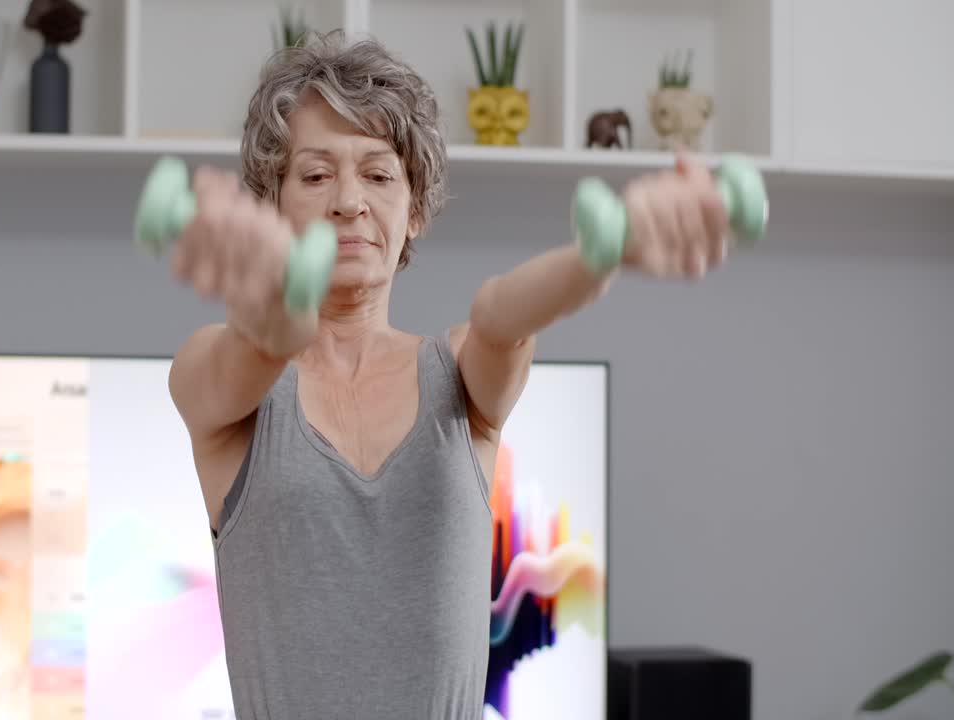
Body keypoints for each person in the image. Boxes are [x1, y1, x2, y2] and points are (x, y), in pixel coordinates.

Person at [166, 31, 729, 720]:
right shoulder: (219, 374)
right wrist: (282, 310)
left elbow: (500, 319)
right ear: (273, 201)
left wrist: (601, 255)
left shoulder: (459, 378)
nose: (348, 201)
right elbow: (251, 352)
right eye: (315, 175)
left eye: (378, 174)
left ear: (416, 209)